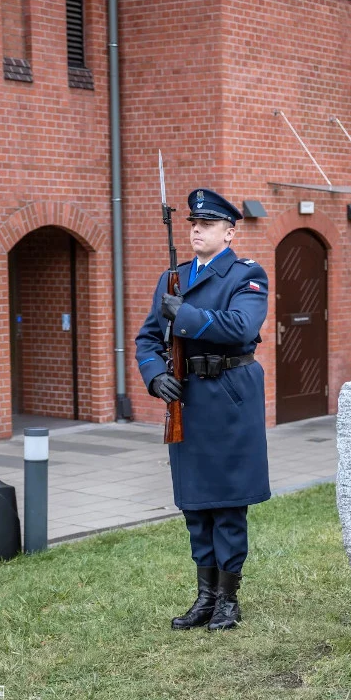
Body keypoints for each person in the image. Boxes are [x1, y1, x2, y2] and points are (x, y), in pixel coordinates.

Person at [135, 187, 271, 631]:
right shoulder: (172, 278)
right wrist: (155, 375)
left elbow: (241, 326)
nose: (196, 229)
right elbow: (148, 340)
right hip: (188, 401)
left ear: (229, 233)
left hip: (229, 397)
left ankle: (228, 601)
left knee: (228, 505)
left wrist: (187, 315)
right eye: (193, 223)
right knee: (196, 506)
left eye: (207, 224)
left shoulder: (246, 275)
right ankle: (205, 597)